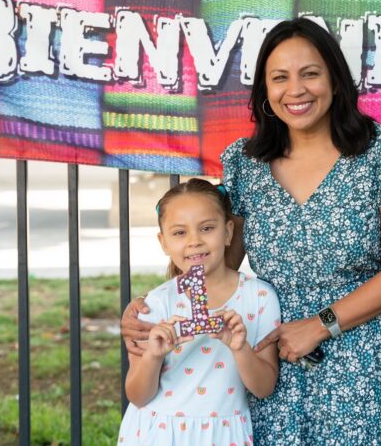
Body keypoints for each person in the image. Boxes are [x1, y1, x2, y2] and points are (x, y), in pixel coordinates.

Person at [122, 17, 381, 444]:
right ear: (265, 91)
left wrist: (319, 326)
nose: (296, 90)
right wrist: (149, 309)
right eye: (280, 78)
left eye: (310, 74)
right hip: (268, 358)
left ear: (336, 80)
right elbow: (214, 266)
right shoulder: (246, 165)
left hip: (365, 362)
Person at [118, 178, 280, 445]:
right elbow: (137, 395)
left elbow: (264, 388)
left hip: (225, 434)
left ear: (228, 232)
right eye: (180, 233)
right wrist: (153, 356)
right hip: (158, 434)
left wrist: (240, 348)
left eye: (207, 228)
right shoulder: (154, 305)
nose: (194, 242)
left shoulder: (260, 298)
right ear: (164, 242)